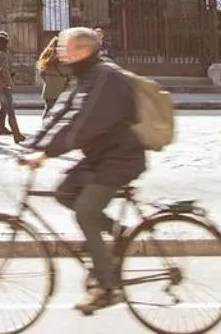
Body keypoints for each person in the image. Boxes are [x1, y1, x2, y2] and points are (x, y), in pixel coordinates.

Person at [20, 27, 144, 314]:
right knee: (64, 191)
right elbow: (62, 112)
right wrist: (35, 143)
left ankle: (106, 287)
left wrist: (48, 152)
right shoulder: (84, 76)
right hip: (100, 156)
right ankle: (117, 232)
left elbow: (84, 122)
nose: (60, 51)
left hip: (120, 158)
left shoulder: (105, 77)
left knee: (85, 212)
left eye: (65, 47)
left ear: (84, 50)